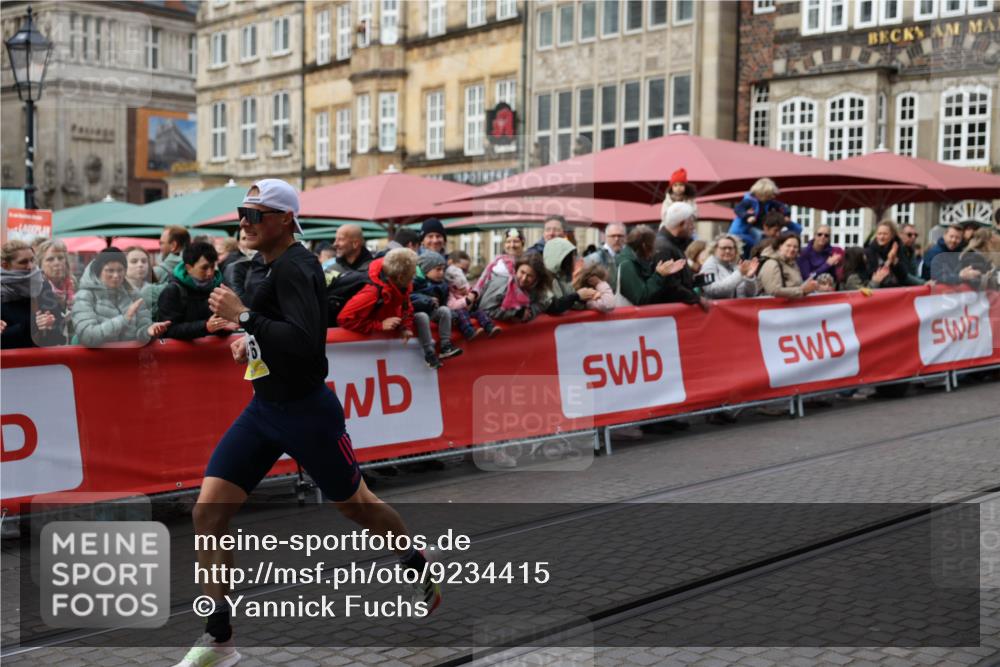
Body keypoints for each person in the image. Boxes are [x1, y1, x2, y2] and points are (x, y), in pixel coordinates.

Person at [176, 180, 440, 667]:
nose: (244, 222)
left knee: (358, 508)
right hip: (264, 410)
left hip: (306, 412)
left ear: (282, 220)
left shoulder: (298, 266)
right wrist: (247, 343)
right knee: (207, 513)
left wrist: (245, 319)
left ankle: (414, 559)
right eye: (243, 213)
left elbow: (304, 342)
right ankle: (219, 639)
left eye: (255, 214)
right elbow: (273, 335)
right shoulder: (264, 263)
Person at [71, 247, 170, 347]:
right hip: (94, 360)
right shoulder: (85, 296)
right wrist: (123, 319)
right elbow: (88, 336)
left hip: (128, 359)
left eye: (120, 270)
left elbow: (142, 330)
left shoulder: (133, 294)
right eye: (110, 270)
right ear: (99, 271)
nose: (116, 275)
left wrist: (149, 332)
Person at [158, 241, 239, 341]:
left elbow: (217, 324)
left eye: (212, 266)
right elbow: (169, 330)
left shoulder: (219, 288)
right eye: (204, 268)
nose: (210, 273)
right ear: (188, 268)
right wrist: (205, 326)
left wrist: (222, 327)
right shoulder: (173, 291)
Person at [0, 240, 64, 348]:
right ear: (5, 265)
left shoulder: (42, 285)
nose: (30, 266)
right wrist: (33, 325)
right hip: (10, 361)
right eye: (23, 262)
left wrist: (50, 325)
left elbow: (58, 333)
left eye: (32, 260)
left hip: (42, 359)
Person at [410, 252, 463, 364]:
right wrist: (426, 300)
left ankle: (446, 346)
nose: (441, 273)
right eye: (438, 269)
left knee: (444, 310)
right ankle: (429, 353)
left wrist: (451, 314)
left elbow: (444, 304)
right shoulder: (415, 281)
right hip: (416, 314)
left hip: (432, 312)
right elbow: (409, 297)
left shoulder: (442, 285)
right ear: (426, 269)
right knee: (422, 316)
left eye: (443, 269)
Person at [616, 225, 686, 305]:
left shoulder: (634, 260)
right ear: (644, 246)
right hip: (630, 316)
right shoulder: (627, 263)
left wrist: (662, 274)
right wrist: (659, 275)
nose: (654, 251)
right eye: (652, 245)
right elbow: (641, 298)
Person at [653, 201, 705, 307]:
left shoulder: (673, 243)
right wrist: (696, 298)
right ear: (682, 224)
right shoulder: (663, 247)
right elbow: (670, 286)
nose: (693, 227)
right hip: (668, 313)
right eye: (691, 223)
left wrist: (692, 278)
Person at [477, 252, 551, 322]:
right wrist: (515, 313)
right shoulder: (502, 283)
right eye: (522, 272)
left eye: (530, 276)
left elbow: (543, 302)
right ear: (516, 270)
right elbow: (484, 309)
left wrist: (529, 312)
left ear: (536, 278)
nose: (524, 278)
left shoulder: (535, 287)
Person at [728, 177, 793, 250]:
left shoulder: (767, 202)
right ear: (762, 193)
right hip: (741, 232)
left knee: (761, 239)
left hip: (753, 230)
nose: (772, 197)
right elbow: (738, 209)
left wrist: (786, 214)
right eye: (769, 195)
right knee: (757, 241)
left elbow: (781, 206)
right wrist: (747, 216)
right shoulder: (749, 201)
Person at [541, 237, 595, 314]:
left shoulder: (561, 278)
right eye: (571, 257)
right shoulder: (545, 279)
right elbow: (552, 306)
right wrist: (577, 296)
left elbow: (571, 301)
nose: (573, 260)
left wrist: (587, 296)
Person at [445, 264, 500, 339]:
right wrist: (466, 300)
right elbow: (451, 305)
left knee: (480, 312)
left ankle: (489, 327)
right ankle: (469, 331)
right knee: (462, 313)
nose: (464, 290)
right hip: (460, 312)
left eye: (464, 287)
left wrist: (475, 294)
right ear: (453, 288)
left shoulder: (466, 286)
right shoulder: (450, 293)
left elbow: (475, 289)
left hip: (471, 309)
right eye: (461, 289)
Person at [36, 240, 76, 342]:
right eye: (50, 259)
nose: (57, 263)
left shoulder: (73, 284)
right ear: (40, 265)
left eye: (60, 258)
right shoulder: (37, 289)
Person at [698, 234, 760, 299]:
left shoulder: (735, 265)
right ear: (715, 249)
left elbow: (751, 294)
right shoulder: (709, 265)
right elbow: (713, 290)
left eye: (730, 248)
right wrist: (739, 274)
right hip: (718, 308)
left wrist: (749, 278)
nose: (727, 251)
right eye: (723, 248)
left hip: (739, 307)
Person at [864, 220, 923, 288]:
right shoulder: (870, 251)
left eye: (885, 234)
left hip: (896, 290)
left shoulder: (899, 249)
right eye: (879, 234)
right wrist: (889, 261)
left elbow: (903, 275)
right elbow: (873, 274)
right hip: (878, 291)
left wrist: (895, 260)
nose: (881, 237)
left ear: (892, 235)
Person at [758, 233, 818, 298]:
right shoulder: (771, 263)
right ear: (780, 246)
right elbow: (774, 291)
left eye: (795, 247)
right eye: (788, 246)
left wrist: (807, 286)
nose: (792, 249)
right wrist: (802, 290)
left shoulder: (793, 264)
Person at [584, 222, 626, 290]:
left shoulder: (629, 256)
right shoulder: (594, 258)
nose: (616, 239)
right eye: (613, 236)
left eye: (620, 236)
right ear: (606, 237)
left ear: (625, 237)